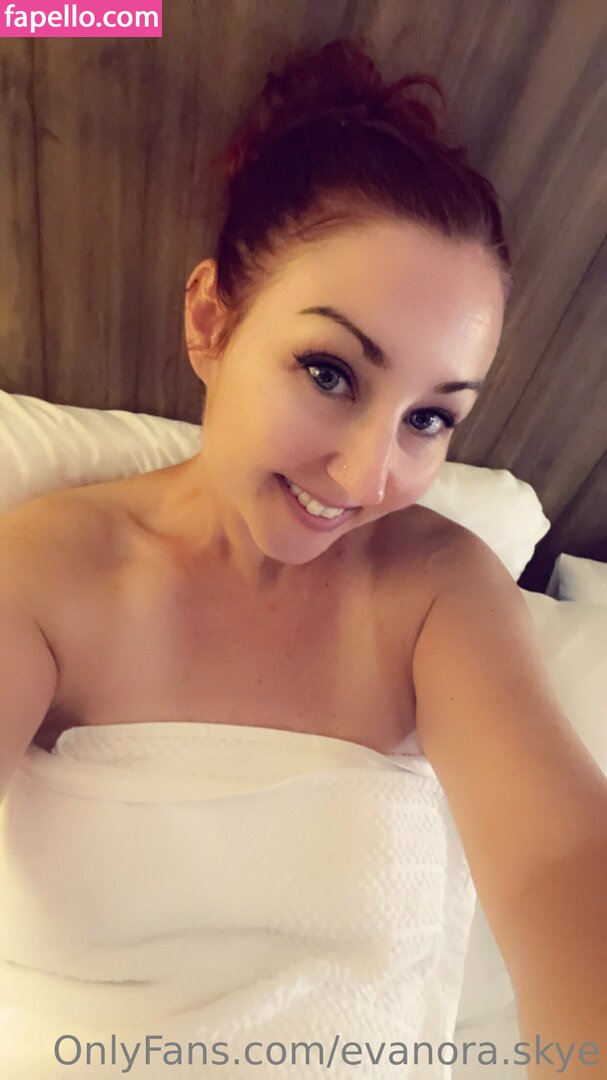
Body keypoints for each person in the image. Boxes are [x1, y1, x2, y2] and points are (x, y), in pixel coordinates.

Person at [0, 38, 605, 1078]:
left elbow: (563, 858)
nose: (369, 472)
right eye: (329, 372)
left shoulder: (438, 589)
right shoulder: (49, 573)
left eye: (429, 418)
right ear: (211, 321)